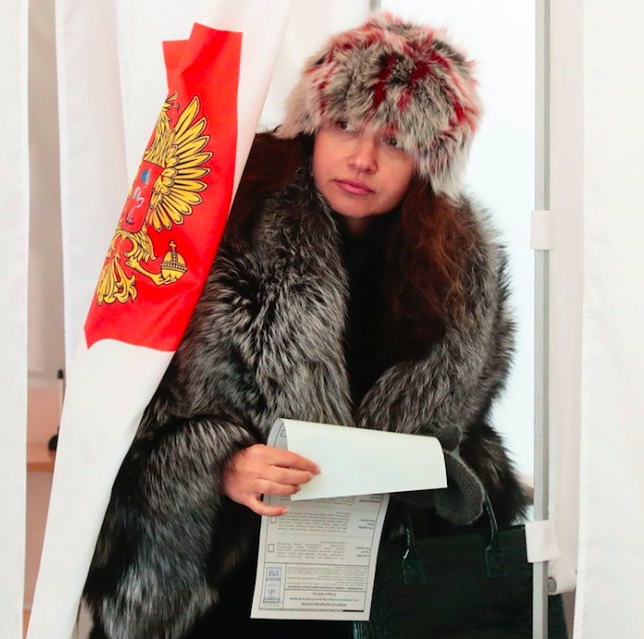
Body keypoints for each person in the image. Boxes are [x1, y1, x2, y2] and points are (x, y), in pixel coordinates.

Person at [84, 13, 527, 639]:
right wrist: (222, 465)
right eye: (344, 125)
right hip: (221, 587)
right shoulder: (219, 228)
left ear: (428, 164)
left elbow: (468, 432)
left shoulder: (463, 272)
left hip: (381, 593)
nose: (363, 158)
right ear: (312, 125)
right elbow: (123, 420)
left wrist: (452, 477)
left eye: (396, 141)